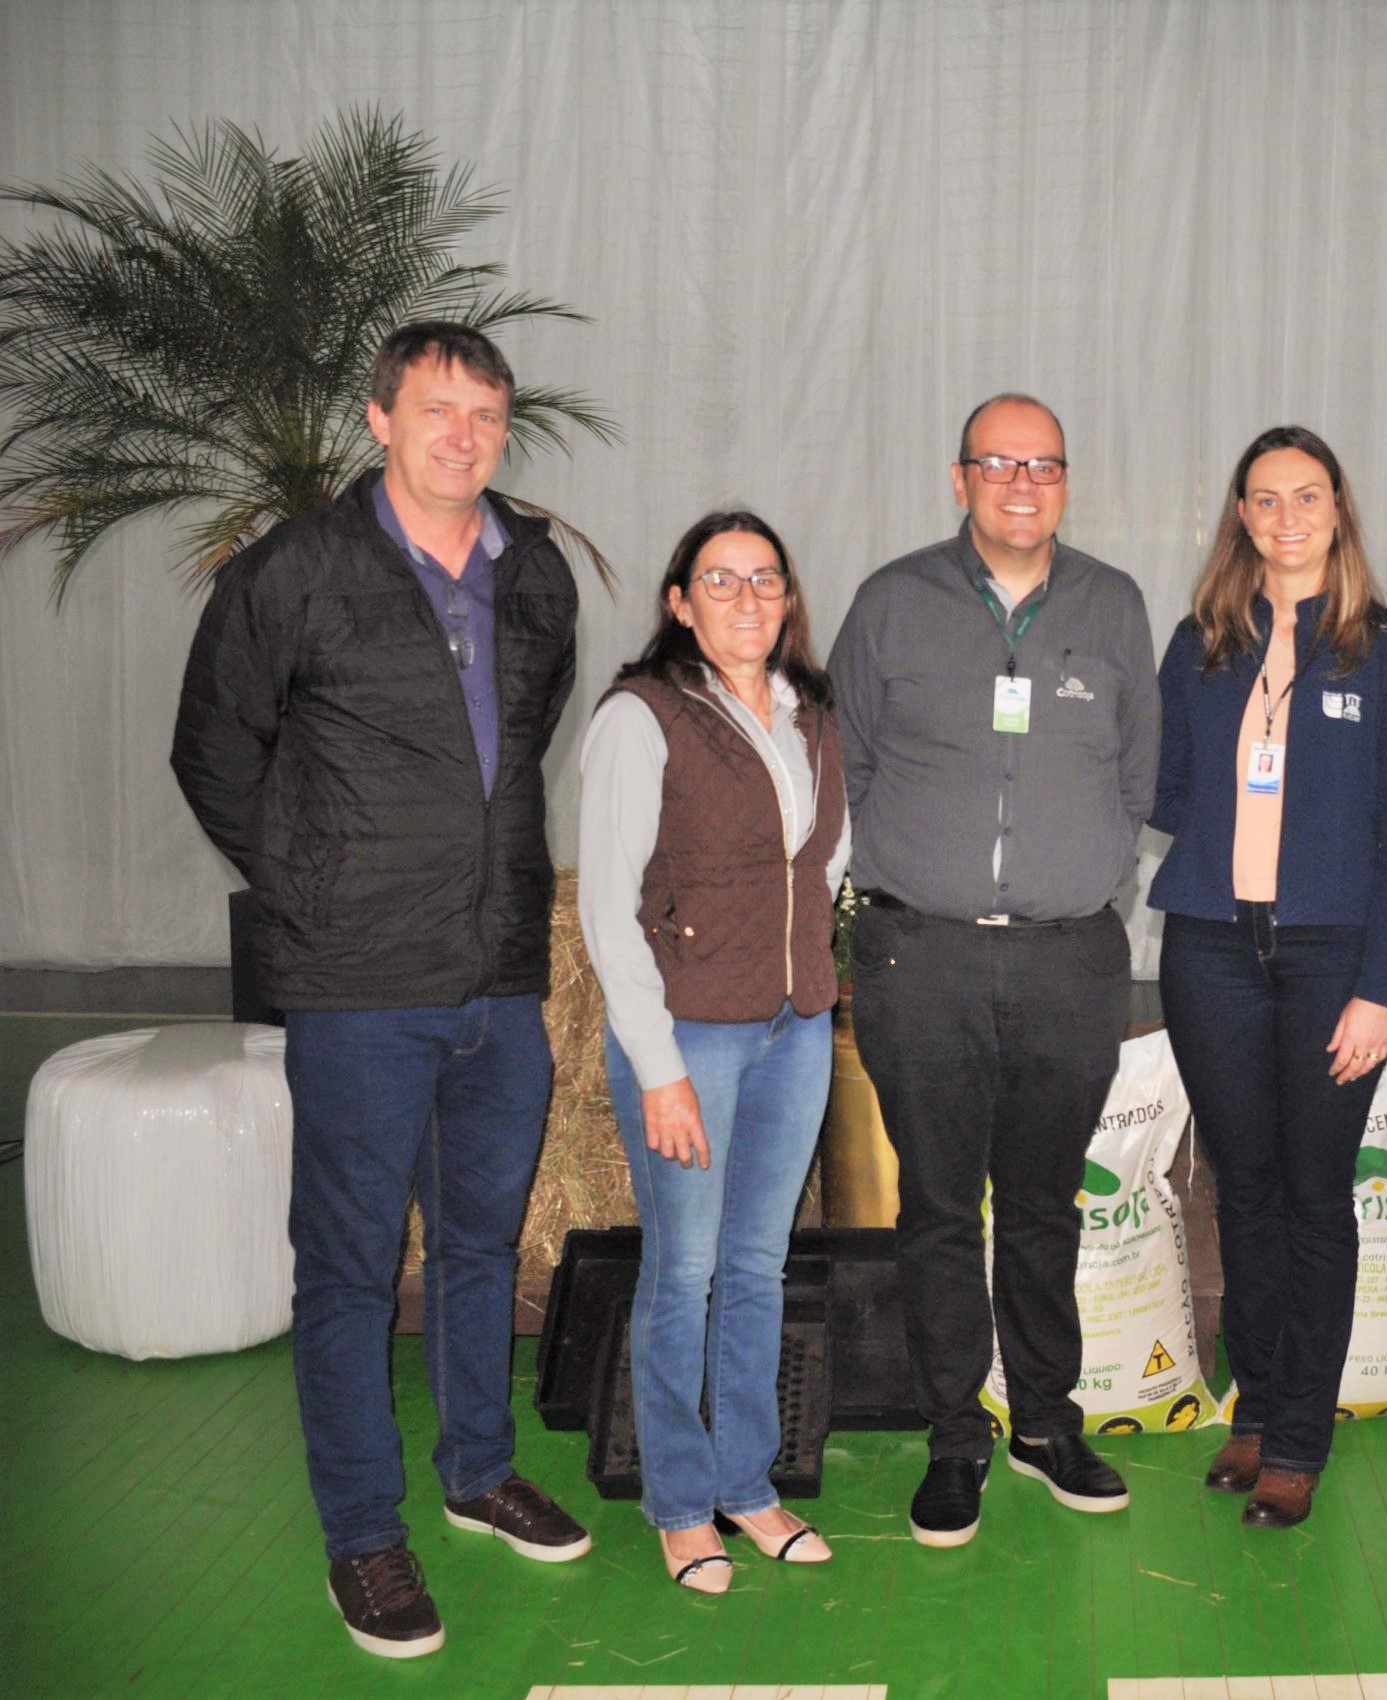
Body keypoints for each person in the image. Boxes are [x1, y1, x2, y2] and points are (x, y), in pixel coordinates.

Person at [169, 323, 588, 1660]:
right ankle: (363, 1532)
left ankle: (479, 1471)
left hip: (496, 975)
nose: (463, 435)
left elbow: (522, 741)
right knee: (350, 1269)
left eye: (485, 414)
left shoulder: (535, 571)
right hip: (356, 984)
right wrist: (312, 886)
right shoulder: (293, 570)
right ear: (380, 419)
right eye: (436, 409)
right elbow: (213, 748)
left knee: (478, 1246)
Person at [825, 393, 1159, 1548]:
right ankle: (955, 1432)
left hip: (1070, 960)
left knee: (1042, 1203)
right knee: (934, 1205)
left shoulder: (1113, 605)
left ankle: (1047, 1421)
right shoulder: (892, 603)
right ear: (958, 476)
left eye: (1044, 465)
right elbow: (843, 766)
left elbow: (1138, 776)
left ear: (1067, 481)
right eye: (1000, 463)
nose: (1023, 483)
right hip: (922, 953)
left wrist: (1080, 868)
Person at [1149, 425, 1387, 1529]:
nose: (1286, 517)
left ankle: (1300, 1437)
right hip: (1211, 949)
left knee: (1316, 1197)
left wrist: (1381, 988)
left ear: (1337, 508)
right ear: (1240, 515)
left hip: (1332, 960)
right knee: (1245, 1189)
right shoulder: (1201, 641)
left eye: (1305, 496)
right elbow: (1167, 787)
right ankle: (1257, 1408)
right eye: (1264, 499)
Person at [578, 511, 848, 1592]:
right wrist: (659, 1067)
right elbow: (606, 907)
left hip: (796, 1027)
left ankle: (747, 1482)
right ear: (679, 603)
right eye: (720, 580)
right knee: (683, 1270)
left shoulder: (810, 714)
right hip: (689, 1032)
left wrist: (805, 962)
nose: (746, 598)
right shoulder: (640, 716)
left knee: (756, 1265)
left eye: (765, 578)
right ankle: (682, 1504)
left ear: (788, 598)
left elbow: (823, 861)